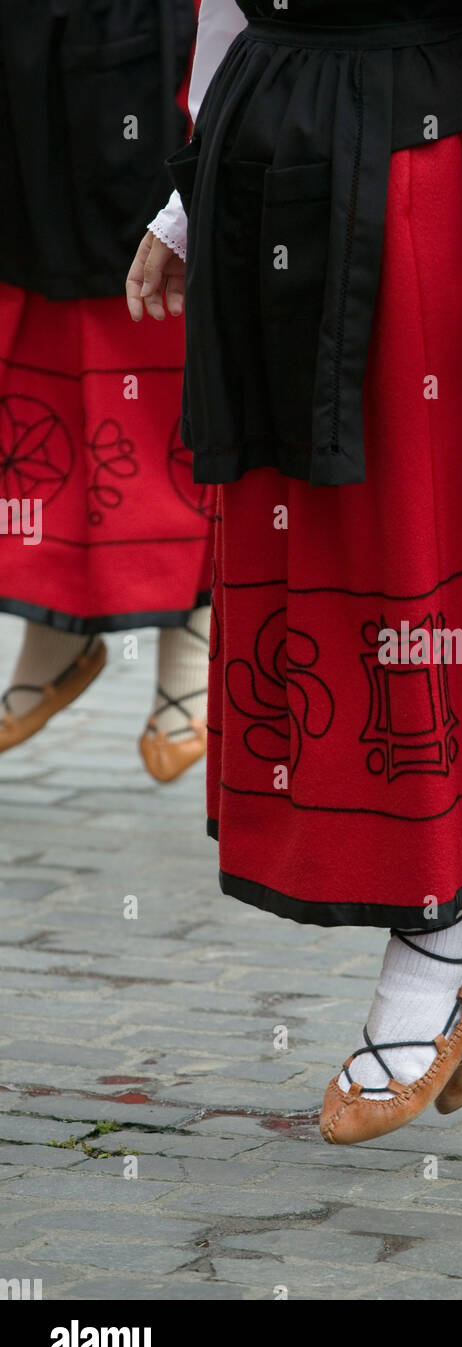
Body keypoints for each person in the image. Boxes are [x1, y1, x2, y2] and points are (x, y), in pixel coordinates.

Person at [128, 0, 462, 1143]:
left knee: (437, 567)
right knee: (334, 559)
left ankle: (445, 929)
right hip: (280, 164)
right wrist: (191, 191)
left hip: (436, 189)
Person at [0, 0, 214, 782]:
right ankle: (56, 621)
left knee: (155, 314)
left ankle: (193, 632)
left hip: (156, 46)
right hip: (31, 49)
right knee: (39, 311)